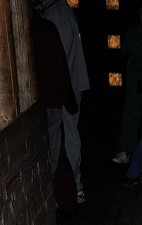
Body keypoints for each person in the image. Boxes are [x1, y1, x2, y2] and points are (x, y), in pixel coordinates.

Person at [38, 0, 90, 204]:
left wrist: (58, 89)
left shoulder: (57, 12)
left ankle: (73, 187)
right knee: (66, 134)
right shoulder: (56, 9)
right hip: (67, 85)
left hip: (67, 86)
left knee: (67, 135)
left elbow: (60, 55)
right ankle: (71, 186)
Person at [30, 3, 78, 212]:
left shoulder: (49, 23)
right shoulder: (45, 26)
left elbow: (61, 63)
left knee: (57, 148)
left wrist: (66, 97)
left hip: (50, 100)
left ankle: (58, 198)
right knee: (54, 149)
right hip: (47, 100)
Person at [112, 3, 142, 165]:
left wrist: (135, 52)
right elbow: (124, 50)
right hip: (134, 80)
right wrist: (135, 52)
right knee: (130, 115)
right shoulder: (132, 30)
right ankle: (125, 150)